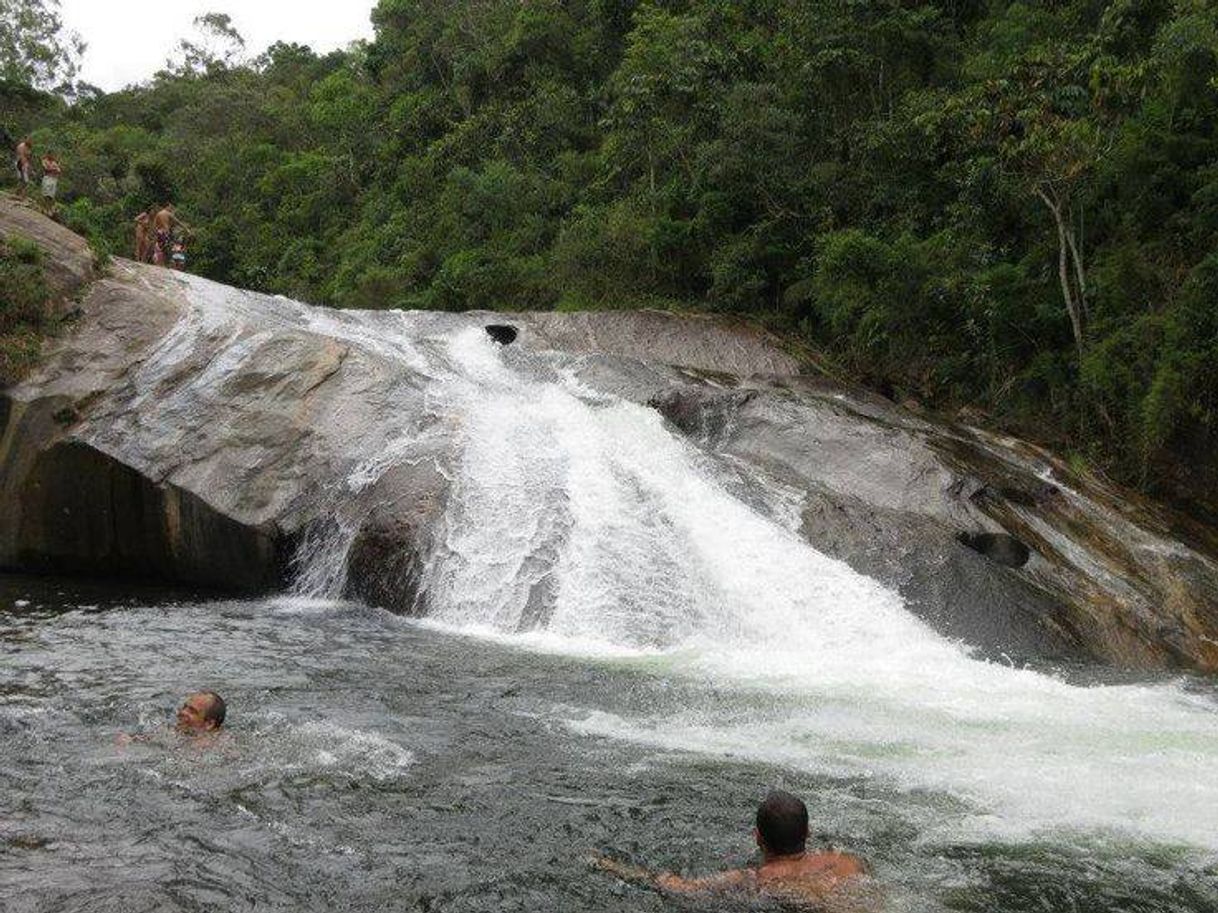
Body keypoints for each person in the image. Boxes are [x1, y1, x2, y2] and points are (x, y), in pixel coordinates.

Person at [596, 790, 871, 908]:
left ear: (757, 837)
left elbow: (679, 887)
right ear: (808, 832)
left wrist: (607, 866)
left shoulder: (757, 879)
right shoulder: (845, 862)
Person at [39, 151, 61, 216]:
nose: (52, 156)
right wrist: (54, 169)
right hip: (47, 177)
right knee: (45, 193)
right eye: (50, 154)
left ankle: (49, 209)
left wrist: (53, 169)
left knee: (51, 195)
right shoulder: (44, 161)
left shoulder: (54, 162)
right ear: (48, 154)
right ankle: (44, 208)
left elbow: (59, 170)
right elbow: (46, 169)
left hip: (54, 179)